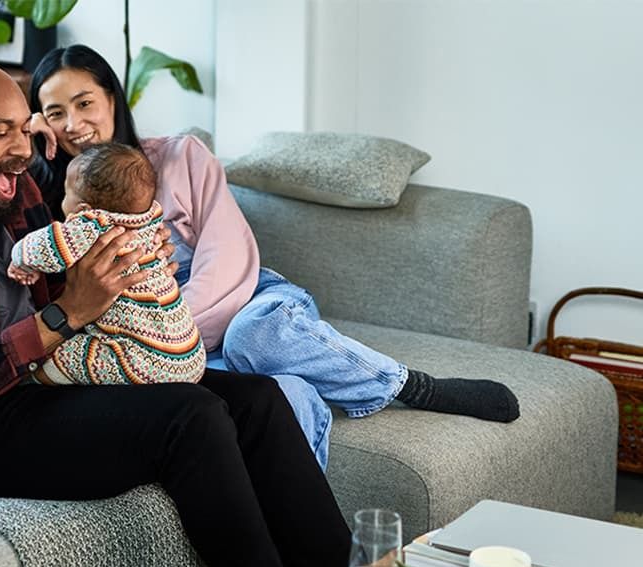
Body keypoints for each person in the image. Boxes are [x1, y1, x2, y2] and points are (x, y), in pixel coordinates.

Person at [0, 57, 350, 567]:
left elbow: (72, 248)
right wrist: (65, 316)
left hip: (39, 384)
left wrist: (132, 262)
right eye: (0, 132)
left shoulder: (11, 188)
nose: (20, 151)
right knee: (192, 417)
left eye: (23, 131)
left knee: (258, 399)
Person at [27, 44, 521, 471]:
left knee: (253, 335)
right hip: (170, 349)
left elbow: (229, 255)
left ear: (112, 96)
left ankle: (412, 386)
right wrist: (28, 156)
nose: (74, 124)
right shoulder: (58, 207)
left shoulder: (180, 156)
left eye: (84, 102)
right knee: (284, 397)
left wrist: (168, 337)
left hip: (242, 303)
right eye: (53, 113)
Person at [8, 142, 205, 386]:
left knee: (71, 353)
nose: (62, 199)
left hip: (141, 361)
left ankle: (33, 382)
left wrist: (20, 259)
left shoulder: (94, 226)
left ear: (83, 209)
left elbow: (46, 247)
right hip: (190, 354)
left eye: (65, 192)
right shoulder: (150, 223)